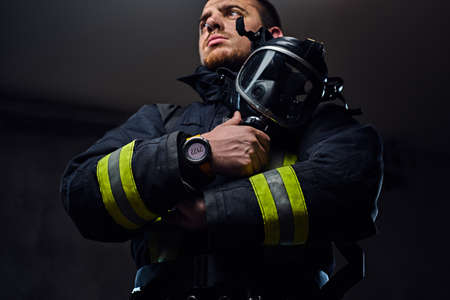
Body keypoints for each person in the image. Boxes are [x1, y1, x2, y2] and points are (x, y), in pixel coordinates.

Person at [60, 0, 383, 299]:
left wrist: (213, 210)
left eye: (231, 12)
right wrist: (197, 154)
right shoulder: (160, 120)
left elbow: (351, 186)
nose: (211, 23)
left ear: (272, 35)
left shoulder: (315, 119)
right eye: (203, 22)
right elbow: (82, 193)